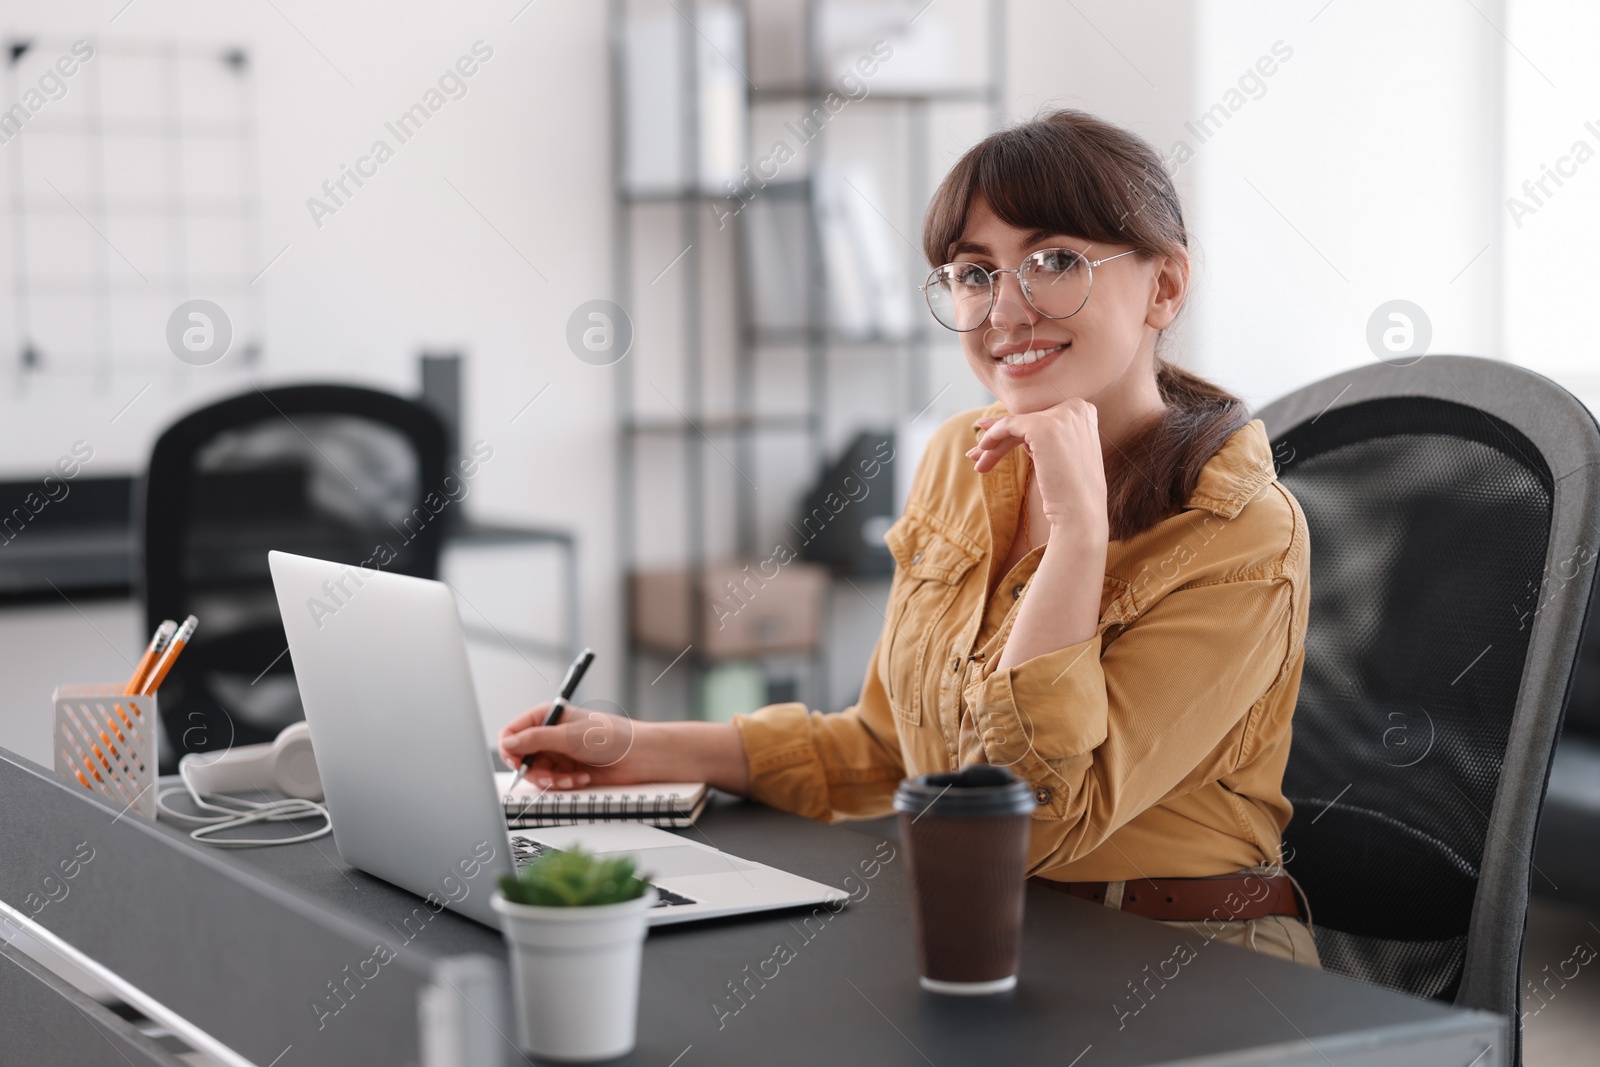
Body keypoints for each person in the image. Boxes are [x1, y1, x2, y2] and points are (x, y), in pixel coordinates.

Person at [499, 109, 1319, 966]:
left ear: (1165, 286)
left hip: (1188, 957)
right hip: (987, 928)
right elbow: (888, 748)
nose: (1006, 308)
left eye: (1056, 261)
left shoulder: (1242, 535)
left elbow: (1028, 821)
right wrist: (638, 748)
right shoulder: (962, 461)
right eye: (972, 272)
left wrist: (1079, 534)